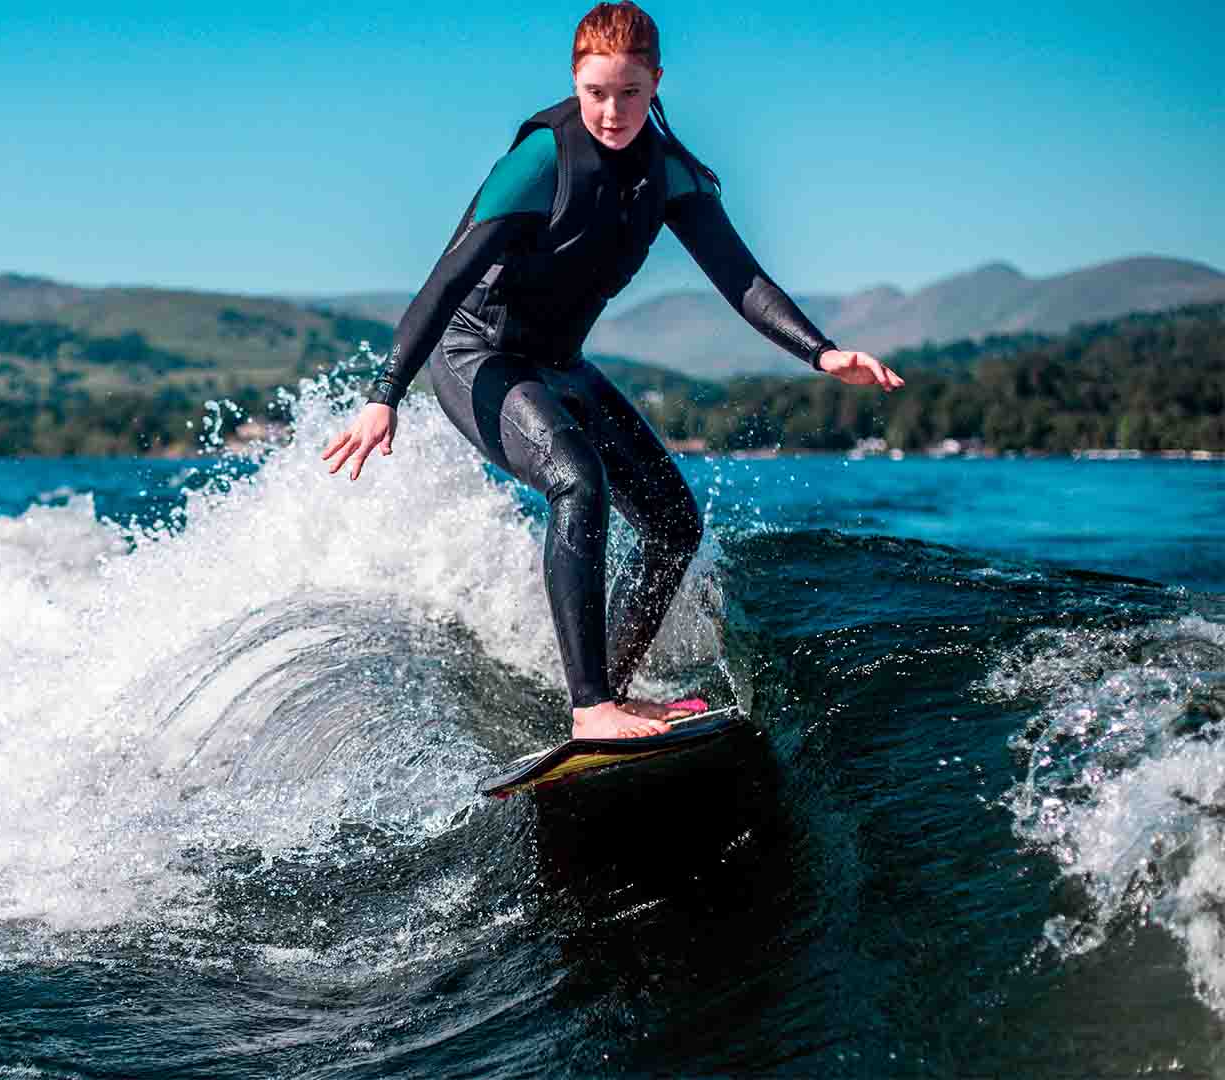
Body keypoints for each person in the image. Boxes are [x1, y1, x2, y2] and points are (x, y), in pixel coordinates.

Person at [321, 1, 903, 740]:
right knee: (577, 480)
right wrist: (385, 396)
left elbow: (741, 279)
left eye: (630, 92)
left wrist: (822, 352)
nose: (612, 110)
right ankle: (589, 706)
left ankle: (611, 695)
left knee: (672, 523)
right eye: (597, 92)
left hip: (560, 363)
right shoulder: (543, 160)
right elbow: (445, 278)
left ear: (656, 84)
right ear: (575, 81)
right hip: (478, 355)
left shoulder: (669, 173)